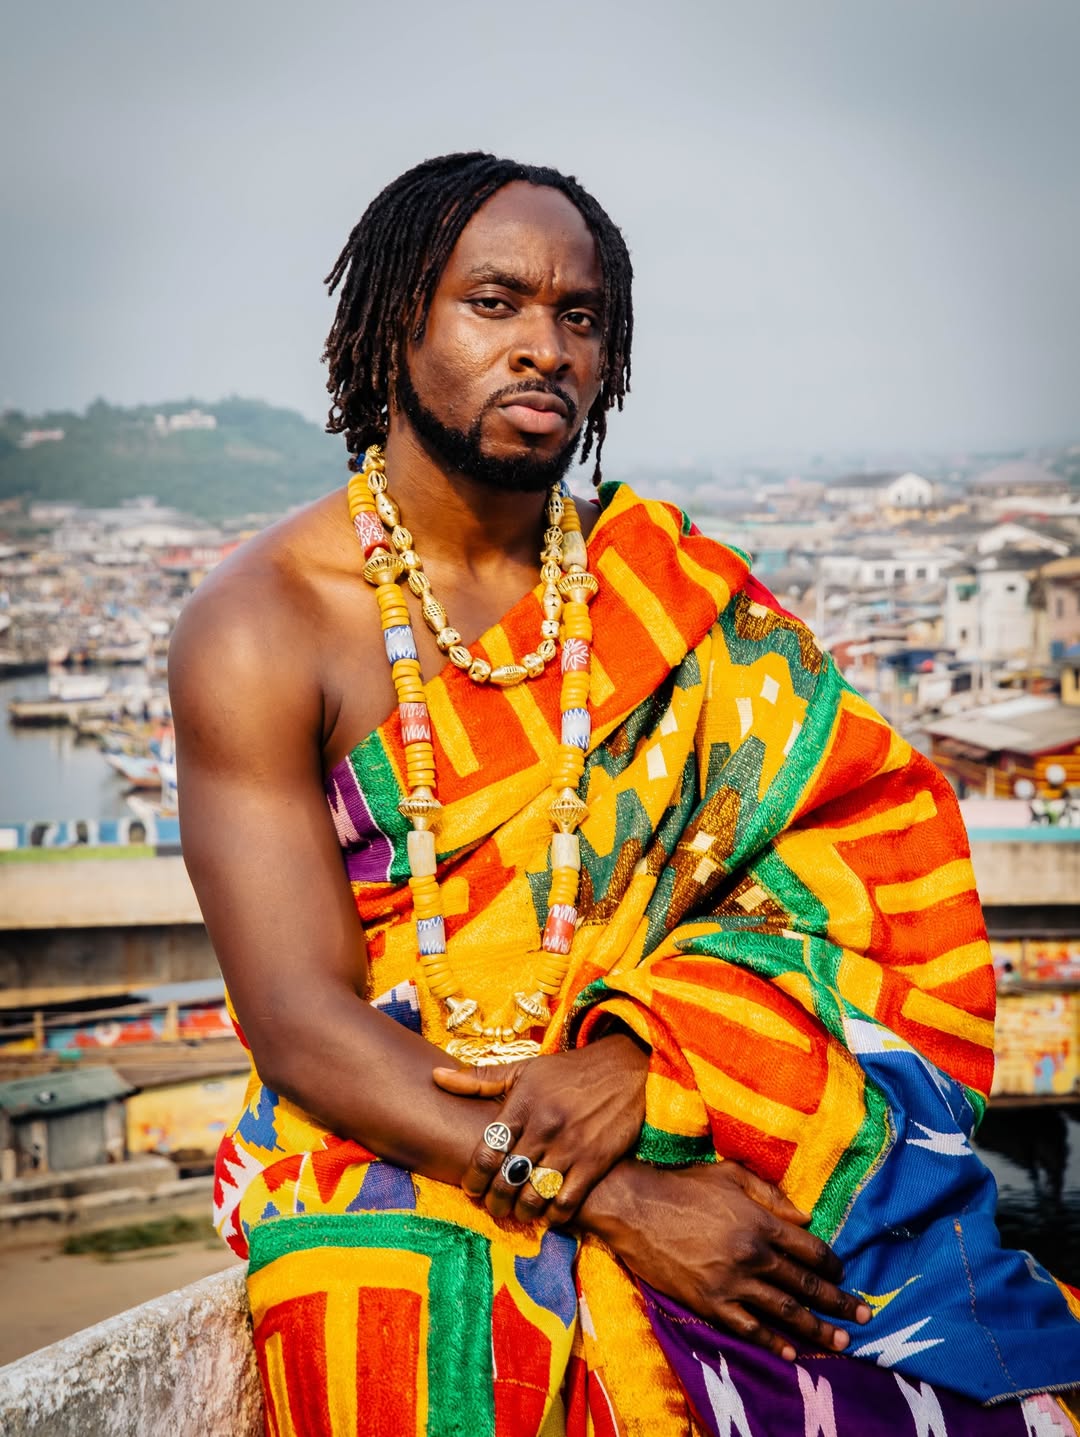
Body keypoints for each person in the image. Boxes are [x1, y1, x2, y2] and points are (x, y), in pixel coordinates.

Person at [170, 153, 1080, 1436]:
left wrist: (641, 1056)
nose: (542, 346)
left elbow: (866, 854)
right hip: (394, 1125)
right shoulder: (261, 626)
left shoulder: (665, 596)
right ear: (392, 327)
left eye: (578, 316)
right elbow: (301, 1023)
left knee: (945, 1354)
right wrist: (614, 1200)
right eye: (494, 303)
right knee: (418, 1321)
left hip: (666, 1098)